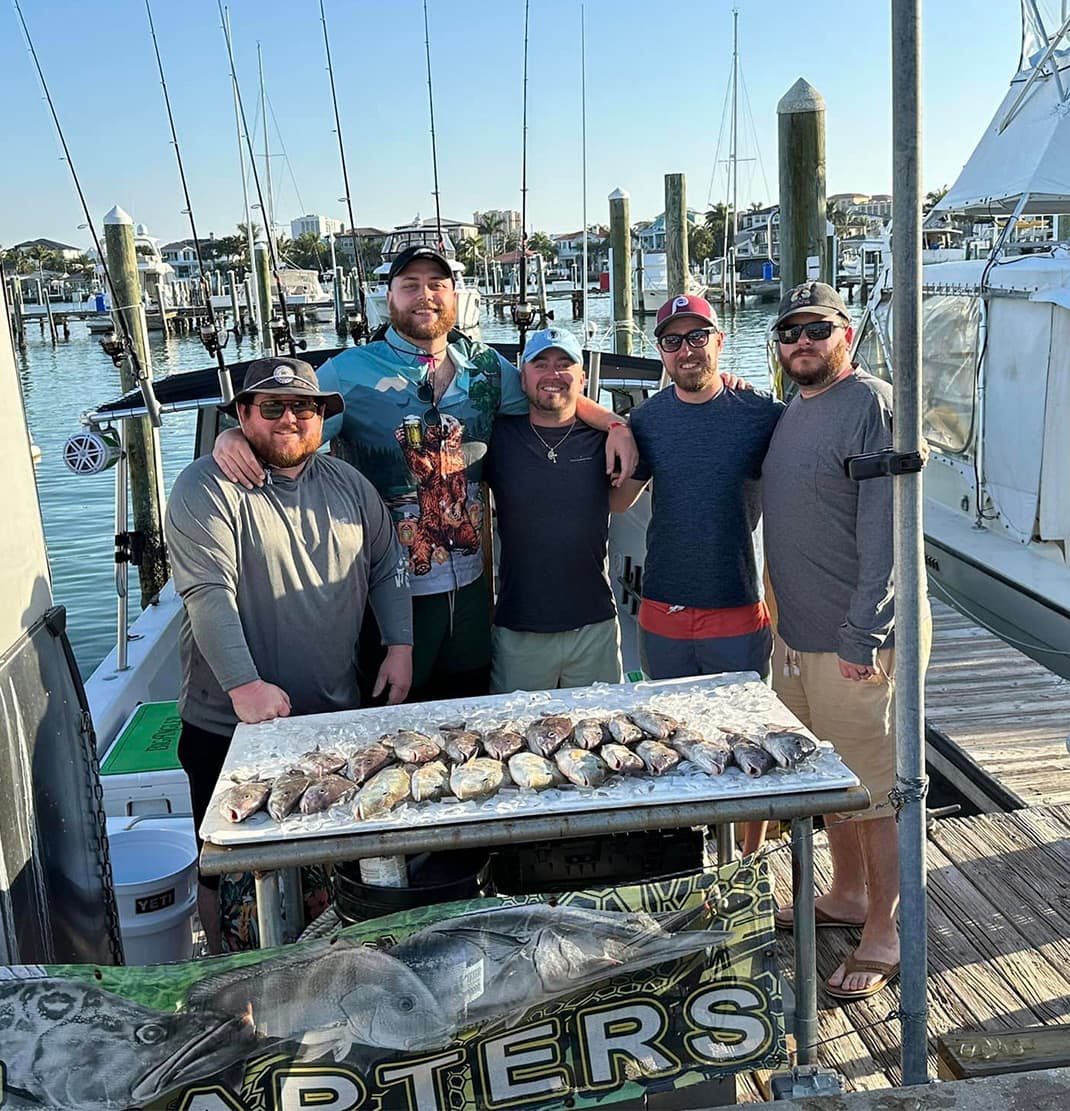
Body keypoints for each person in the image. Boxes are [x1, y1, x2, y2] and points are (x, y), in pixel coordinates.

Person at [213, 246, 636, 702]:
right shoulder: (348, 371)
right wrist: (237, 437)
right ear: (388, 297)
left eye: (436, 285)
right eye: (409, 285)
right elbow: (291, 428)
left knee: (473, 713)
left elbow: (553, 395)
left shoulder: (487, 368)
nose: (425, 296)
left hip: (472, 587)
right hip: (387, 589)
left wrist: (616, 424)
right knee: (390, 713)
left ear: (455, 296)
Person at [167, 356, 412, 951]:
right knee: (226, 870)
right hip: (230, 729)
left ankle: (325, 971)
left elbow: (388, 565)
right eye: (271, 406)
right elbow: (207, 592)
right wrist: (242, 685)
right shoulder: (204, 485)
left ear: (322, 418)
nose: (289, 418)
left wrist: (399, 645)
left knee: (327, 864)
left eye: (304, 406)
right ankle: (230, 980)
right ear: (243, 415)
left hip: (331, 720)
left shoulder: (351, 486)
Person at [761, 280, 930, 1001]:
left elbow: (887, 530)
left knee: (880, 790)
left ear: (846, 336)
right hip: (799, 639)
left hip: (857, 642)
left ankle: (887, 928)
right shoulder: (796, 410)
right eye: (791, 331)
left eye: (817, 329)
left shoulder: (872, 402)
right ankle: (849, 891)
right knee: (834, 782)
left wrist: (865, 631)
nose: (803, 341)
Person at [614, 294, 784, 685]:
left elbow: (815, 451)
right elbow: (619, 500)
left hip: (737, 607)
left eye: (697, 337)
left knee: (743, 730)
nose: (686, 351)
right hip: (661, 611)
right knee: (668, 734)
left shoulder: (763, 414)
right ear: (661, 351)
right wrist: (610, 426)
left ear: (719, 341)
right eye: (673, 342)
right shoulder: (644, 419)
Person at [486, 326, 630, 692]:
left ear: (582, 377)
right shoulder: (497, 437)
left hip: (594, 627)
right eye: (541, 364)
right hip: (520, 630)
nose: (553, 374)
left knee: (603, 739)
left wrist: (620, 426)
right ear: (522, 378)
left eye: (565, 364)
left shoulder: (607, 439)